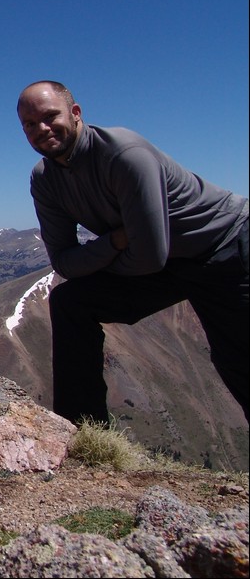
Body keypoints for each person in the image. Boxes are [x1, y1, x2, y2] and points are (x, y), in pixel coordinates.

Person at [16, 80, 249, 425]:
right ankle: (83, 432)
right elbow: (63, 261)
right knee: (70, 302)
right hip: (165, 260)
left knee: (240, 361)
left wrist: (103, 256)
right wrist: (115, 242)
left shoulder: (124, 154)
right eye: (30, 124)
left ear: (76, 113)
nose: (42, 129)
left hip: (224, 247)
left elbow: (149, 257)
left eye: (51, 116)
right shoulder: (45, 180)